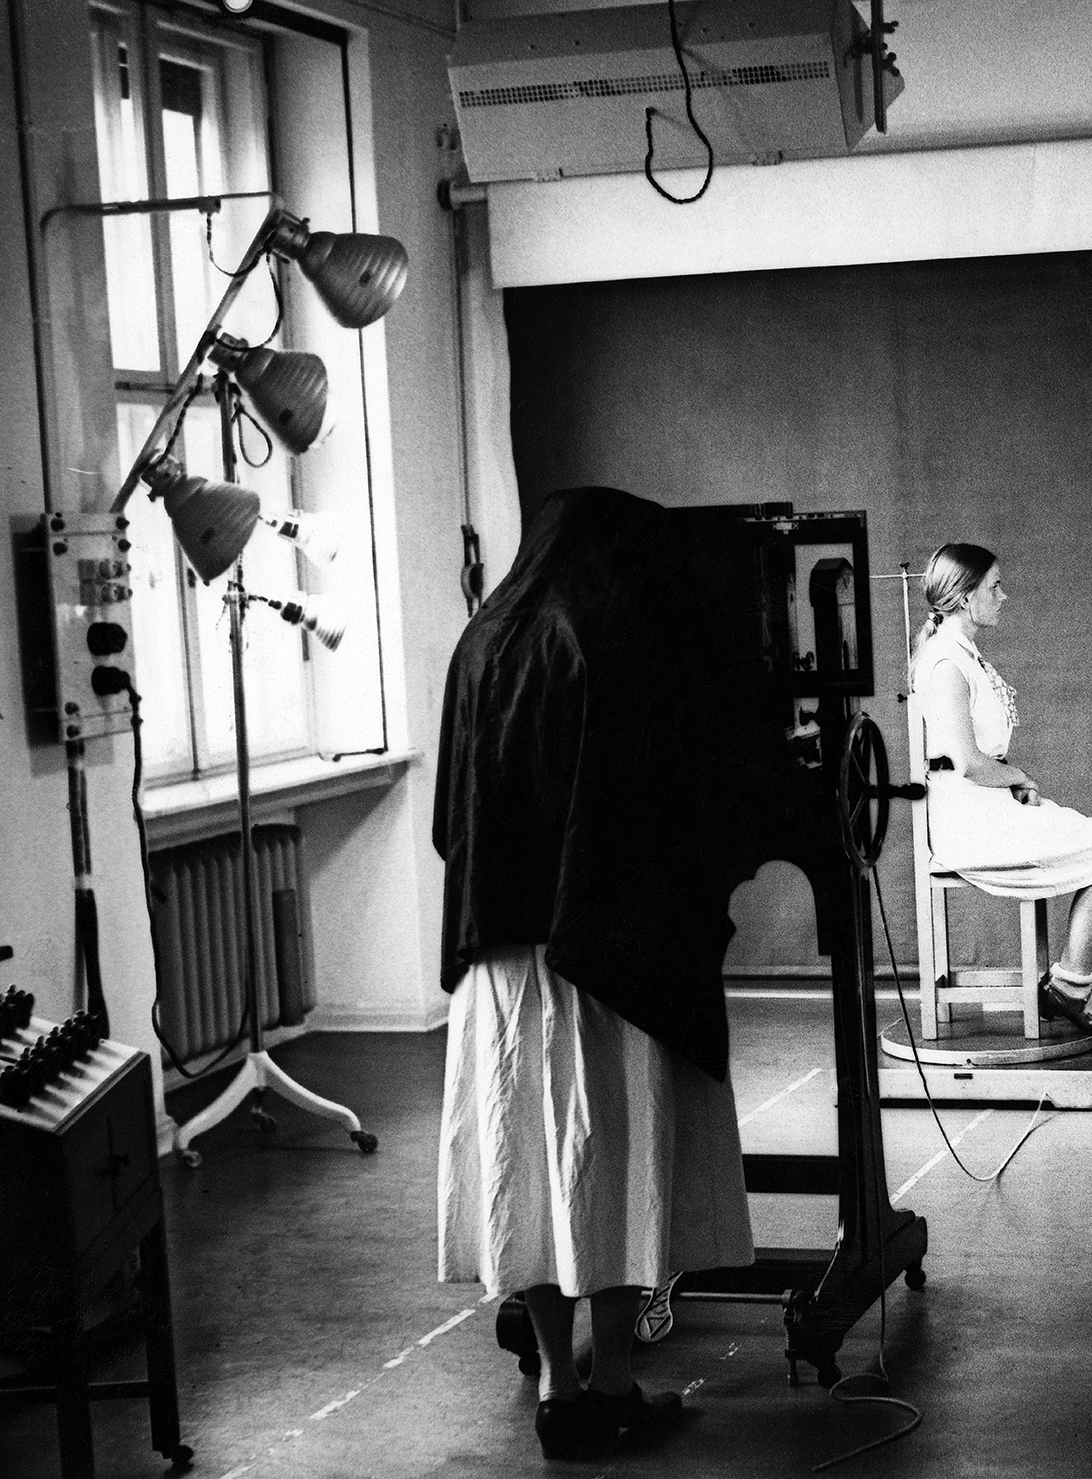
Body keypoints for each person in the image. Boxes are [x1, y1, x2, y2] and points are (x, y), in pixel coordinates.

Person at [435, 488, 778, 1461]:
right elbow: (677, 810)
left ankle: (554, 1381)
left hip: (499, 968)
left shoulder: (482, 640)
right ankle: (617, 1382)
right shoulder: (618, 638)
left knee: (528, 1171)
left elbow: (446, 821)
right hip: (606, 960)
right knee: (612, 1167)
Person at [911, 543, 1092, 1039]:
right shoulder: (945, 662)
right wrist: (1018, 777)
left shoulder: (964, 656)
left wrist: (1012, 783)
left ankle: (1069, 983)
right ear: (964, 597)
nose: (1003, 596)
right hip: (967, 822)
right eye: (994, 587)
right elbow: (971, 765)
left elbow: (979, 763)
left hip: (988, 807)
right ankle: (1071, 986)